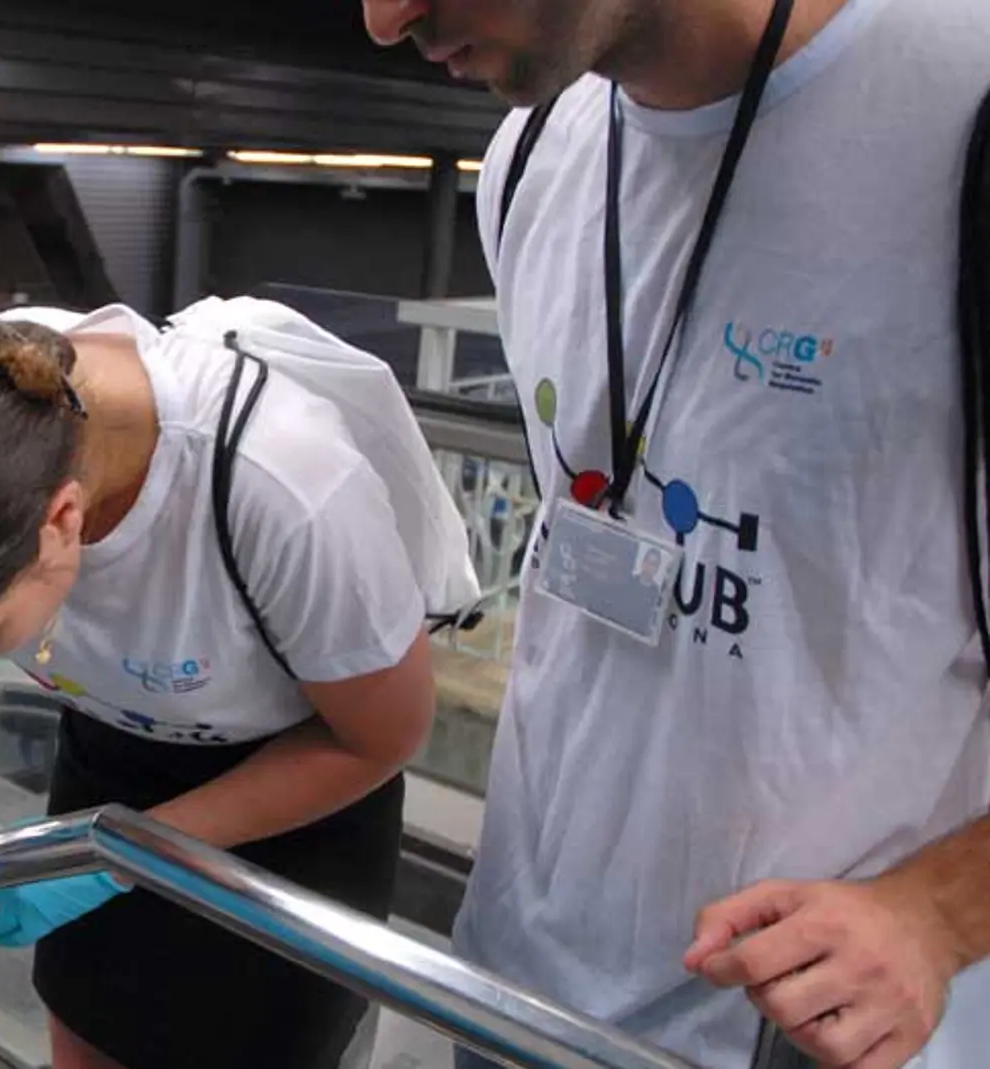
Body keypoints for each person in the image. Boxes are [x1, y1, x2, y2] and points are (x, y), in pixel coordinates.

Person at [358, 0, 990, 1066]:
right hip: (511, 988)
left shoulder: (956, 119)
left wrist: (936, 913)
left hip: (809, 1033)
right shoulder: (529, 157)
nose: (385, 20)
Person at [0, 307, 439, 1069]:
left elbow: (379, 736)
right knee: (91, 1018)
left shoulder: (284, 486)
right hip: (106, 767)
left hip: (294, 807)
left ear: (62, 520)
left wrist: (114, 855)